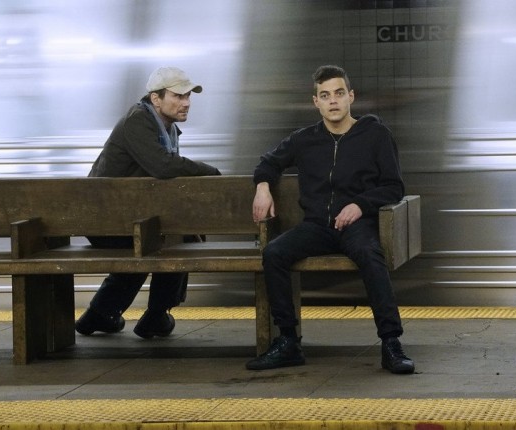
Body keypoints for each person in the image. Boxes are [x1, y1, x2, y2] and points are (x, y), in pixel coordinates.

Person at [246, 65, 415, 374]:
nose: (333, 101)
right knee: (273, 253)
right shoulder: (304, 139)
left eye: (339, 93)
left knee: (370, 255)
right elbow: (268, 163)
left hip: (357, 226)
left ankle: (391, 342)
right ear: (316, 102)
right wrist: (263, 188)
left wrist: (360, 205)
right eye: (325, 96)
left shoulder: (375, 135)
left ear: (351, 96)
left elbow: (394, 187)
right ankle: (288, 341)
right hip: (317, 227)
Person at [76, 66, 221, 339]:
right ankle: (155, 316)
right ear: (156, 98)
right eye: (178, 96)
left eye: (188, 96)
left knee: (166, 240)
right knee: (173, 243)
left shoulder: (166, 128)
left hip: (122, 217)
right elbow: (163, 166)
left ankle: (100, 314)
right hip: (104, 220)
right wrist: (209, 171)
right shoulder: (138, 121)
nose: (186, 102)